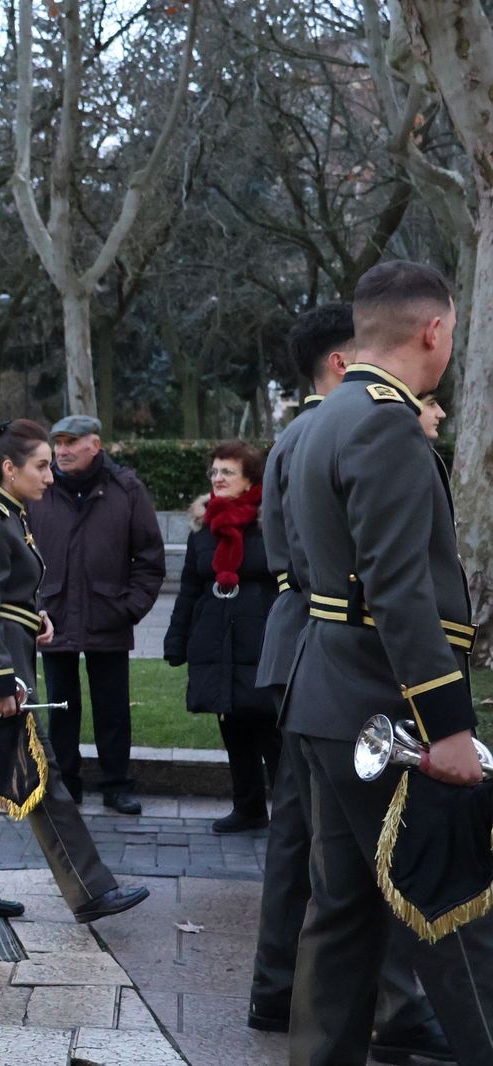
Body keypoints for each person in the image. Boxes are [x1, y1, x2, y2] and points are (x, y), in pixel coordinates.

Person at [283, 260, 493, 1066]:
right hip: (384, 705)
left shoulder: (328, 417)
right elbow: (401, 594)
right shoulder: (386, 424)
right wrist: (447, 728)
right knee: (452, 907)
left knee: (344, 917)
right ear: (434, 331)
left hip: (329, 695)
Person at [246, 304, 447, 1060]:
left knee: (307, 839)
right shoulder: (357, 425)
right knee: (372, 855)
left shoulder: (299, 430)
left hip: (299, 651)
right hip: (338, 654)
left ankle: (276, 987)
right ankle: (395, 1007)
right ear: (344, 361)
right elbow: (379, 573)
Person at [0, 419, 149, 925]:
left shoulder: (7, 515)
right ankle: (89, 889)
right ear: (9, 470)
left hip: (4, 660)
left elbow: (4, 595)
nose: (50, 476)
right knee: (40, 775)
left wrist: (34, 616)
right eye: (40, 466)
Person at [27, 414, 164, 814]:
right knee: (61, 708)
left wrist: (129, 608)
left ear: (95, 445)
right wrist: (34, 610)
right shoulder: (39, 487)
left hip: (109, 616)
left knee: (113, 708)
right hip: (54, 618)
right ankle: (66, 784)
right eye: (58, 443)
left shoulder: (126, 489)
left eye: (72, 442)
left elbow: (149, 558)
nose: (63, 451)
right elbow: (21, 551)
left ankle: (117, 785)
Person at [162, 443, 280, 834]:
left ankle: (289, 813)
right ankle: (247, 808)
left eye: (227, 472)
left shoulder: (272, 523)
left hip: (261, 640)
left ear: (250, 479)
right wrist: (176, 641)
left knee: (270, 729)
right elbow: (190, 589)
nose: (218, 479)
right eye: (214, 472)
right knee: (233, 727)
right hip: (216, 639)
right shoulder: (203, 528)